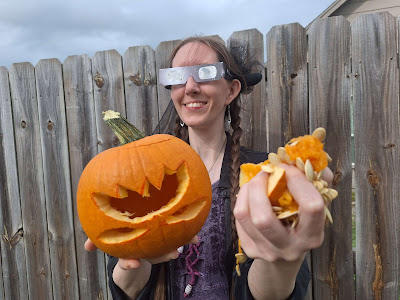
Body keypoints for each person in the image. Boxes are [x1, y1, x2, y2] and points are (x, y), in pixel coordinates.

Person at [85, 36, 332, 300]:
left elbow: (272, 292)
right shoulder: (140, 177)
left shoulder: (262, 176)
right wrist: (132, 260)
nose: (190, 86)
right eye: (178, 76)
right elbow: (128, 290)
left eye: (205, 72)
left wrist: (282, 260)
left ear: (231, 90)